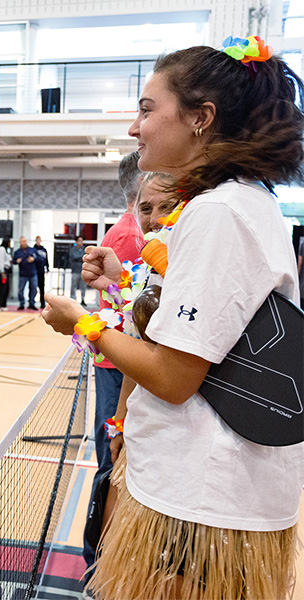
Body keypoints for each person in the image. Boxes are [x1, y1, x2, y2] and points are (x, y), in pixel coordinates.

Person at [43, 37, 304, 600]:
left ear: (201, 119)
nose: (135, 128)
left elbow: (172, 376)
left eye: (146, 109)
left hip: (201, 496)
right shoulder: (236, 203)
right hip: (203, 490)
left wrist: (83, 324)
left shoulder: (218, 213)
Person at [82, 164, 168, 576]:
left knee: (115, 461)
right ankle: (100, 566)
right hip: (122, 363)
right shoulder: (135, 234)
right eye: (150, 206)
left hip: (123, 359)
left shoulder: (136, 234)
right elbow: (141, 320)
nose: (156, 217)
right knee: (114, 464)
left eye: (166, 206)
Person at [13, 236, 38, 310]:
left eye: (25, 241)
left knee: (34, 288)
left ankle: (32, 303)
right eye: (23, 241)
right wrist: (16, 261)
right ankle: (21, 303)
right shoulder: (17, 252)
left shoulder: (32, 250)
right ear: (20, 242)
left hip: (32, 273)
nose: (24, 242)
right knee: (20, 290)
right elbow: (13, 260)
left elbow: (39, 258)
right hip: (23, 274)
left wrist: (33, 259)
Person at [68, 236, 87, 306]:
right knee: (74, 286)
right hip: (75, 271)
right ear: (76, 242)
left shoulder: (84, 250)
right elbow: (74, 257)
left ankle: (82, 299)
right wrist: (81, 257)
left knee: (83, 286)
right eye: (79, 241)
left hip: (83, 271)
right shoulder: (72, 250)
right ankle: (73, 300)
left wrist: (80, 258)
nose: (80, 242)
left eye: (81, 241)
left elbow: (86, 258)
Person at [33, 235, 49, 309]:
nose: (38, 241)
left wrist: (47, 268)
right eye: (37, 240)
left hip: (41, 271)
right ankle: (32, 302)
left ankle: (42, 302)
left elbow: (46, 260)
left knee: (42, 287)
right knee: (33, 287)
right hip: (34, 271)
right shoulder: (33, 249)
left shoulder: (43, 250)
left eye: (39, 239)